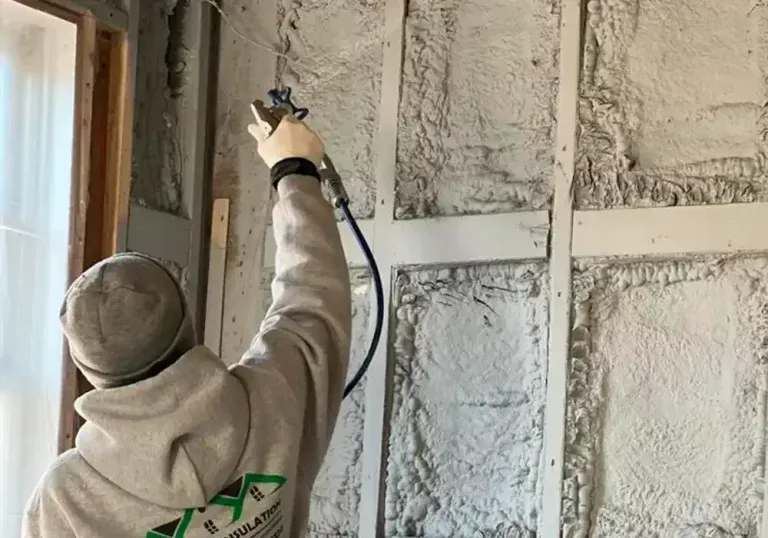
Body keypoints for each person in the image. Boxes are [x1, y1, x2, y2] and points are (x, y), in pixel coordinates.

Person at [21, 115, 352, 538]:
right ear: (187, 327)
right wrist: (294, 170)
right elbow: (313, 299)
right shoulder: (274, 397)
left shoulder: (66, 500)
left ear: (89, 373)